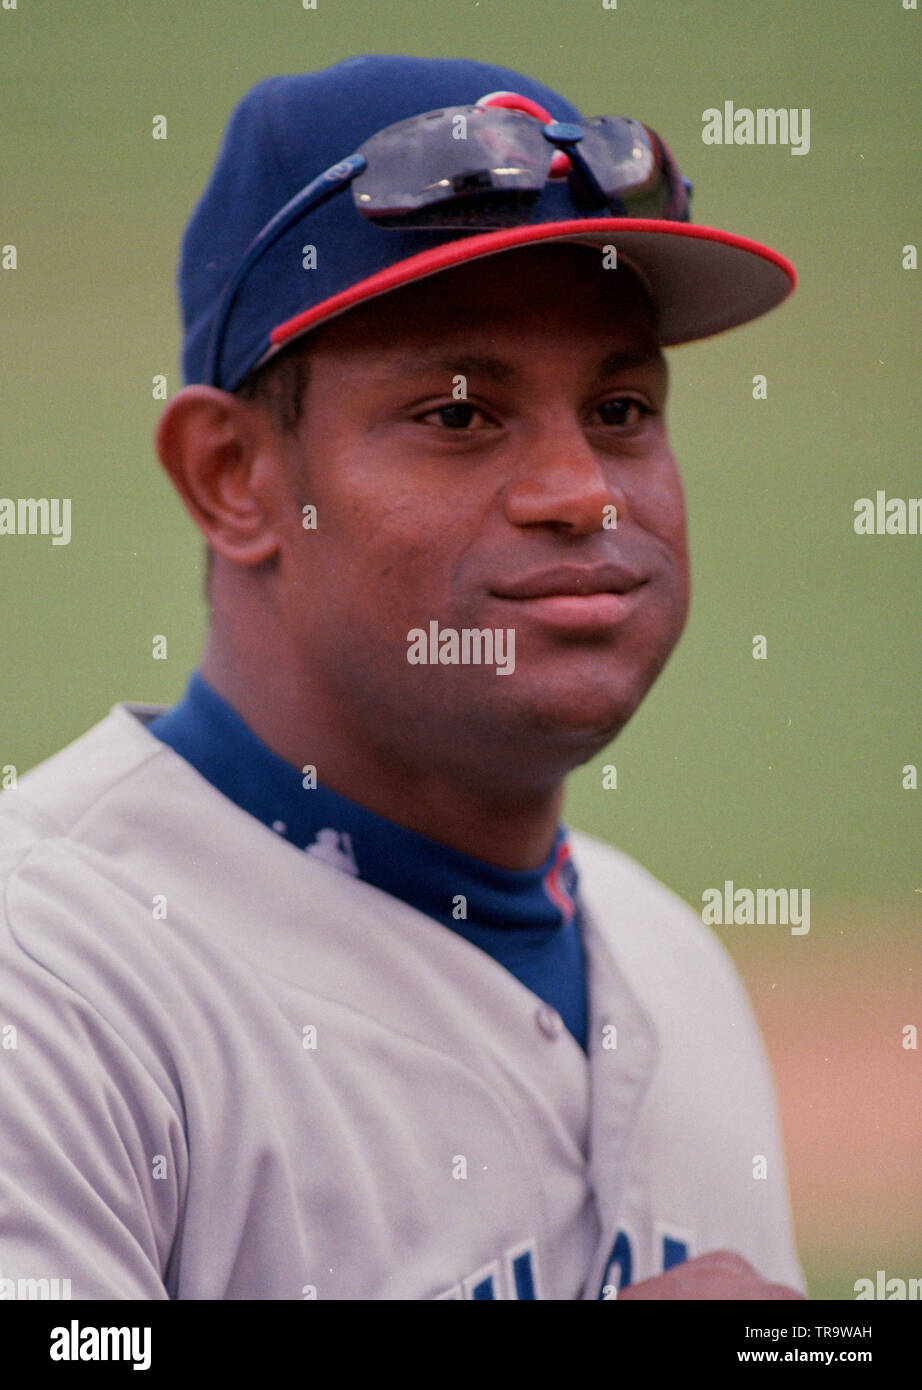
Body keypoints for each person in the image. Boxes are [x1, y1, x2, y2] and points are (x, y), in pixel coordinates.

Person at [0, 55, 804, 1301]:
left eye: (622, 407)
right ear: (233, 478)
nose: (582, 491)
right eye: (460, 414)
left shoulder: (668, 957)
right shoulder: (49, 982)